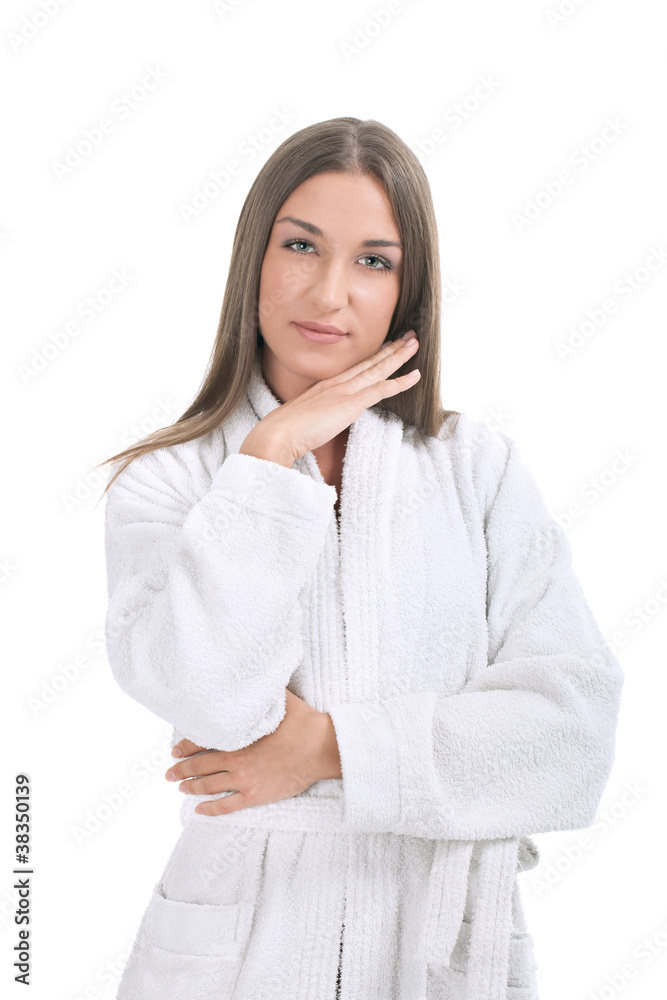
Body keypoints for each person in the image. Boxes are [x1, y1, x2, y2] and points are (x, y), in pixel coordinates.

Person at [99, 117, 624, 1000]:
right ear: (252, 260)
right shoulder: (168, 482)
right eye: (301, 245)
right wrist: (268, 459)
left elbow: (570, 736)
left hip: (439, 945)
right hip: (237, 954)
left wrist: (334, 749)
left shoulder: (477, 468)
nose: (330, 292)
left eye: (373, 261)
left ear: (406, 291)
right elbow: (213, 701)